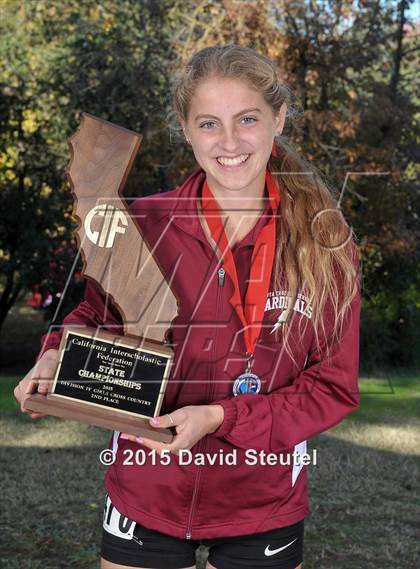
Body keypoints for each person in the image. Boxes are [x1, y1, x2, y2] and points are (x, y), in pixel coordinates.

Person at [14, 44, 362, 569]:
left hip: (261, 501)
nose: (229, 142)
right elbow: (97, 317)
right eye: (208, 123)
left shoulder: (326, 241)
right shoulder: (142, 221)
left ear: (279, 118)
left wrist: (224, 416)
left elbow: (332, 387)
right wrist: (54, 357)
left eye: (247, 119)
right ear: (184, 127)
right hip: (145, 489)